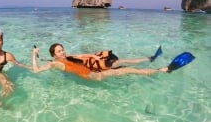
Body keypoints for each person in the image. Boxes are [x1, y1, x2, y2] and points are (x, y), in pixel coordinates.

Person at [32, 43, 169, 81]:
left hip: (94, 69)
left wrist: (95, 57)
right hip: (94, 76)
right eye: (59, 51)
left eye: (62, 49)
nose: (62, 52)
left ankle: (149, 58)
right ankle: (161, 70)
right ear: (54, 55)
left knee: (120, 61)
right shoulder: (55, 63)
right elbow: (36, 70)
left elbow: (83, 55)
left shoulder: (68, 57)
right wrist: (34, 55)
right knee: (127, 70)